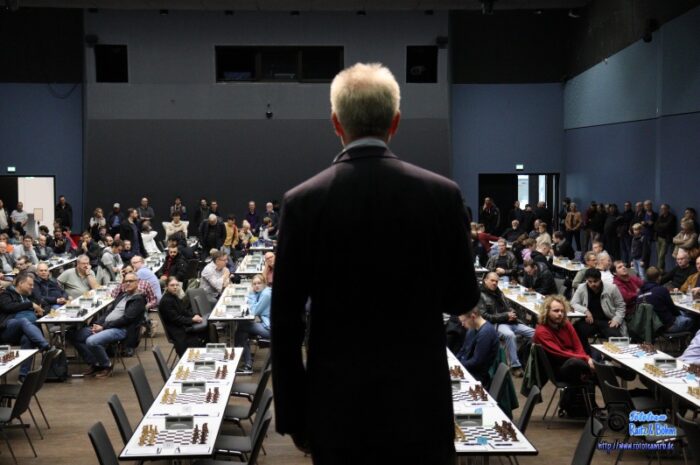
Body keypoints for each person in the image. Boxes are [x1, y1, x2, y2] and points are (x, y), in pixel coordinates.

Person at [271, 63, 478, 464]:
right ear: (395, 122)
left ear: (336, 123)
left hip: (336, 411)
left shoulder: (302, 202)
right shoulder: (441, 195)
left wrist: (295, 416)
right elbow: (461, 297)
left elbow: (285, 322)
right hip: (421, 406)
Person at [70, 272, 145, 378]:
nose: (127, 283)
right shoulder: (123, 295)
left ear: (137, 283)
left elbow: (126, 319)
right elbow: (108, 312)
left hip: (121, 330)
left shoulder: (138, 299)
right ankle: (95, 363)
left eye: (131, 281)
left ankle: (106, 365)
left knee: (92, 341)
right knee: (75, 336)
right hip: (106, 326)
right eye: (125, 281)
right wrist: (97, 324)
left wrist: (103, 327)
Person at [477, 272, 534, 377]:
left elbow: (509, 307)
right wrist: (505, 316)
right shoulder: (480, 295)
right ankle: (515, 366)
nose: (494, 283)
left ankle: (523, 357)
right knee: (510, 335)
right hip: (497, 324)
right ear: (485, 280)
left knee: (536, 334)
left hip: (511, 321)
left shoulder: (499, 292)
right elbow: (485, 316)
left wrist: (512, 314)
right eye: (492, 281)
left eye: (496, 281)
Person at [0, 271, 51, 380]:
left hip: (25, 331)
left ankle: (23, 375)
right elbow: (8, 307)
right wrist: (30, 305)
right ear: (20, 284)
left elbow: (45, 304)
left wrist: (41, 312)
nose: (32, 287)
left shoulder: (30, 295)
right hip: (7, 330)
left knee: (28, 339)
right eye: (30, 285)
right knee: (23, 321)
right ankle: (45, 346)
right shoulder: (6, 294)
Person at [533, 295, 594, 384]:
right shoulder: (541, 332)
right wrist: (586, 359)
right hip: (558, 368)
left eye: (562, 311)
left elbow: (578, 347)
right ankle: (595, 371)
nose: (560, 314)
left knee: (595, 376)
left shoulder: (566, 324)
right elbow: (560, 354)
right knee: (577, 364)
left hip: (577, 364)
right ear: (546, 312)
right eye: (556, 311)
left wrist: (586, 359)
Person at [572, 268, 626, 355]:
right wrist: (585, 311)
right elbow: (573, 303)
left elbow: (621, 306)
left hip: (607, 320)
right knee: (575, 330)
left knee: (617, 338)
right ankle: (585, 354)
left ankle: (613, 360)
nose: (593, 284)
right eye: (590, 281)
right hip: (590, 321)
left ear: (600, 279)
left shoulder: (612, 288)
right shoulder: (582, 287)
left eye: (595, 281)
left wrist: (617, 319)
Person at [158, 277, 205, 357]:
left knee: (205, 327)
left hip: (181, 325)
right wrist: (192, 320)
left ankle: (202, 352)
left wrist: (194, 315)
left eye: (177, 285)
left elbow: (184, 311)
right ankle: (198, 354)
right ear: (166, 286)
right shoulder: (166, 301)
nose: (175, 287)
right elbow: (176, 319)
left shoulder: (174, 297)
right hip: (177, 330)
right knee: (204, 330)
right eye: (172, 285)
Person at [234, 274, 271, 373]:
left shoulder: (266, 294)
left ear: (264, 283)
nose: (257, 286)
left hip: (269, 329)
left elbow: (254, 311)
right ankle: (246, 361)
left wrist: (251, 295)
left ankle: (243, 359)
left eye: (259, 283)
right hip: (265, 324)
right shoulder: (263, 292)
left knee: (241, 327)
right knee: (242, 331)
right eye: (254, 284)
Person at [638, 267, 693, 333]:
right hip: (668, 326)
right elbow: (673, 310)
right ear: (659, 277)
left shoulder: (639, 293)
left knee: (683, 314)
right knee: (693, 318)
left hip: (651, 327)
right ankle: (691, 342)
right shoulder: (661, 290)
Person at [455, 305, 500, 386]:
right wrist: (455, 361)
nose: (462, 324)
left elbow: (476, 362)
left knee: (451, 387)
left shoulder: (486, 333)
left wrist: (458, 365)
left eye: (463, 321)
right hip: (467, 369)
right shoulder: (473, 328)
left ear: (473, 317)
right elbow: (463, 350)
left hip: (475, 376)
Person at [653, 203, 676, 273]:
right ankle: (662, 271)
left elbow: (667, 226)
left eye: (664, 208)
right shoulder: (660, 217)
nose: (662, 210)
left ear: (667, 209)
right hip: (658, 238)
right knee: (659, 256)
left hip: (665, 239)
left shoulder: (672, 217)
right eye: (661, 209)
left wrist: (660, 226)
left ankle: (657, 273)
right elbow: (655, 227)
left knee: (661, 256)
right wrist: (661, 226)